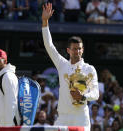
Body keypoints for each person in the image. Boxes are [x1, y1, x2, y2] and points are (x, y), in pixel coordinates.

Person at [41, 3, 99, 131]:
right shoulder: (62, 64)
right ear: (68, 50)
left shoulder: (90, 69)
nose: (77, 52)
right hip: (63, 117)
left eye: (79, 49)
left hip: (81, 117)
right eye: (74, 49)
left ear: (82, 50)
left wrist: (84, 96)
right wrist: (45, 22)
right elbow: (49, 46)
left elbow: (96, 93)